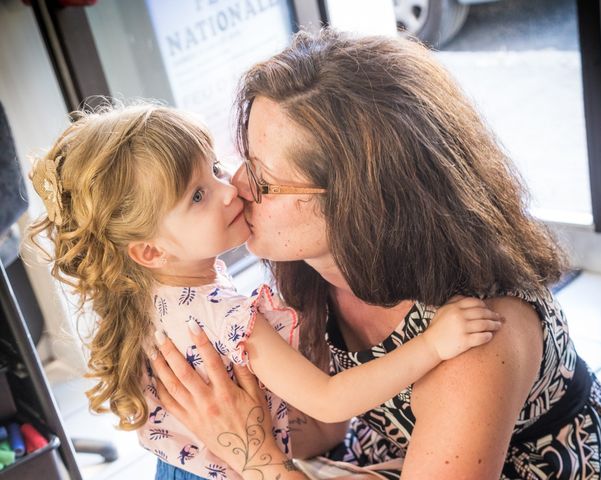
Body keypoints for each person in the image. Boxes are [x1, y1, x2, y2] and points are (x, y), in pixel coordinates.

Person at [151, 29, 601, 479]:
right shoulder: (317, 267)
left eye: (262, 178)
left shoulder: (476, 339)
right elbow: (329, 427)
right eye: (241, 161)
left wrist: (253, 455)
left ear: (357, 201)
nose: (236, 188)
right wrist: (222, 410)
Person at [26, 102, 503, 480]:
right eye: (197, 196)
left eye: (213, 169)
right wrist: (433, 344)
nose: (229, 189)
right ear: (149, 252)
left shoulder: (147, 300)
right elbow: (331, 399)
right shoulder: (225, 316)